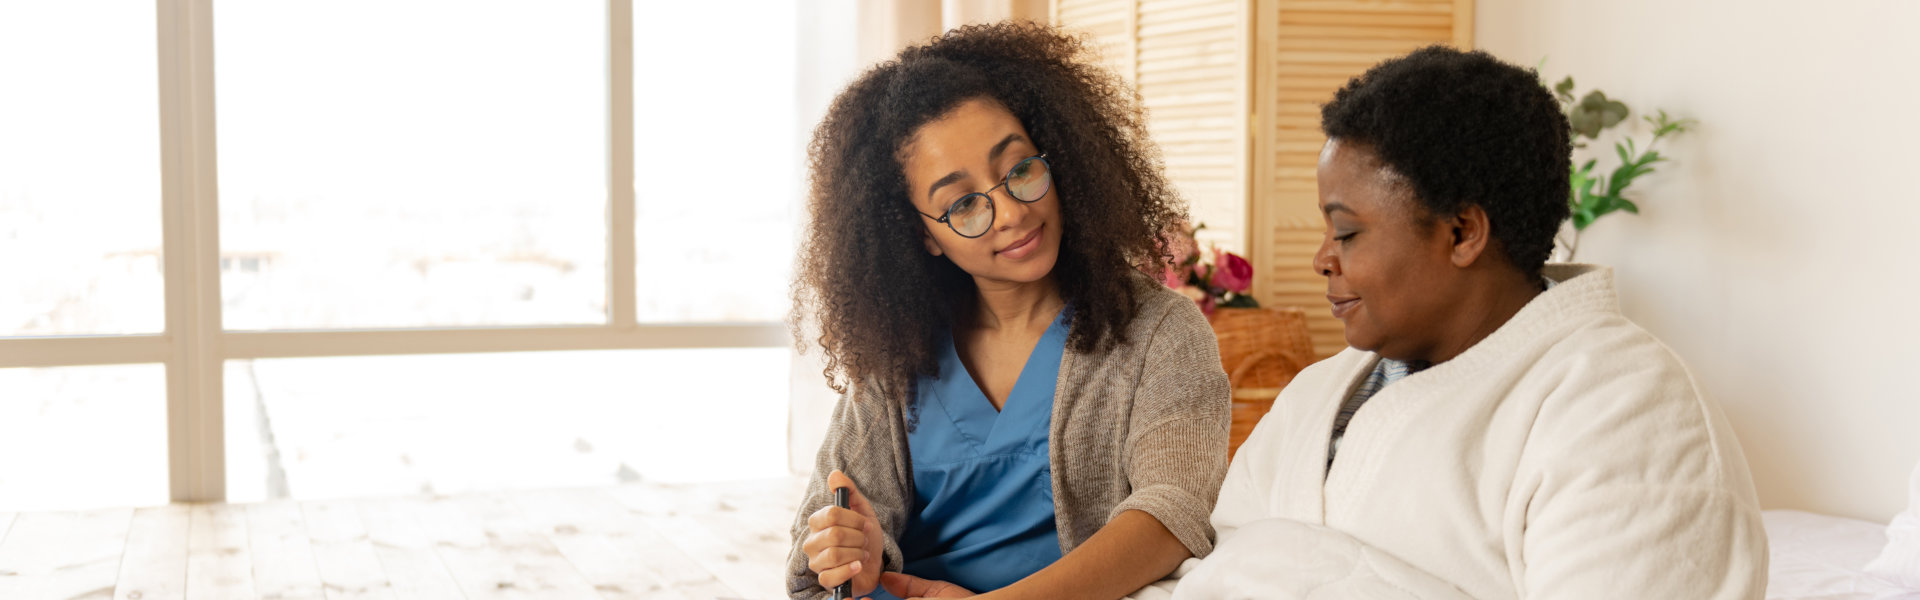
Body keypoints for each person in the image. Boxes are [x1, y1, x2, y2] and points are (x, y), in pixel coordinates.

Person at [1168, 46, 1768, 599]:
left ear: (1462, 233)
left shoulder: (1626, 407)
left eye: (1347, 232)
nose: (1322, 258)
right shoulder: (1314, 394)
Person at [782, 21, 1231, 600]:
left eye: (1020, 170)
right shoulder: (898, 354)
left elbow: (1175, 515)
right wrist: (853, 553)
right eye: (963, 204)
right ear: (921, 236)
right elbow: (816, 556)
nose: (1013, 213)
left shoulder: (1159, 331)